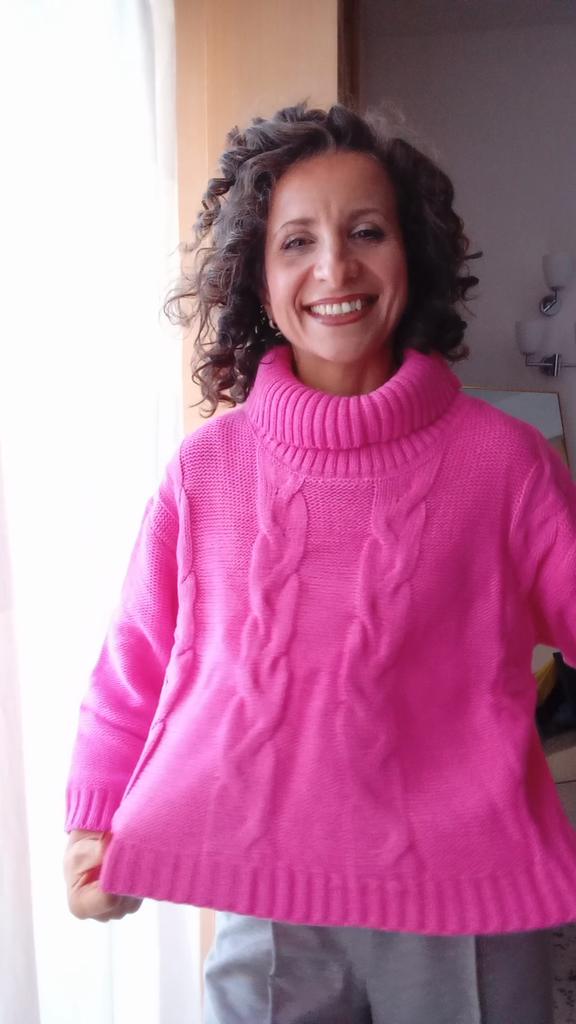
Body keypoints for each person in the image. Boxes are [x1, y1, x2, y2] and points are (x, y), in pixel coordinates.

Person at [64, 102, 576, 1023]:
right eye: (296, 241)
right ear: (258, 280)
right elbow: (132, 663)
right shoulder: (204, 471)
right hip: (262, 896)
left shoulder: (506, 463)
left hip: (463, 898)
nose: (334, 268)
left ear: (413, 254)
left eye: (366, 232)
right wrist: (93, 823)